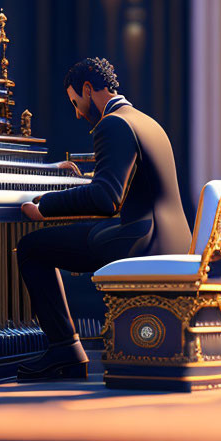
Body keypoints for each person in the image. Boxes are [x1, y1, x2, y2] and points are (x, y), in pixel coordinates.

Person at [16, 57, 192, 381]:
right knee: (79, 234)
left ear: (88, 89)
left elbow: (106, 198)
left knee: (31, 247)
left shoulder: (112, 124)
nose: (77, 112)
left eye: (76, 102)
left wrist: (45, 207)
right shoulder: (145, 121)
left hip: (140, 239)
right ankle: (65, 349)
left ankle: (64, 350)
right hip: (172, 236)